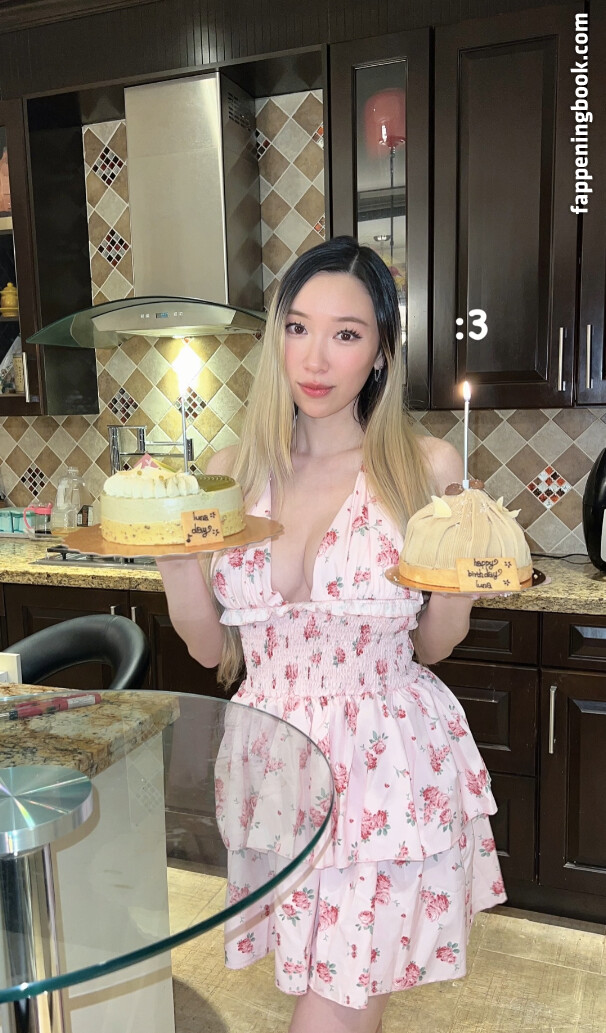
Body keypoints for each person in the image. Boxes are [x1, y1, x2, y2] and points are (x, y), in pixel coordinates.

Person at [156, 236, 506, 1033]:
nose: (315, 358)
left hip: (384, 765)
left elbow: (432, 645)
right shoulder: (230, 468)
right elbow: (210, 649)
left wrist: (460, 579)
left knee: (332, 1012)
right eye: (298, 327)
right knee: (331, 984)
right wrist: (173, 559)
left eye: (346, 333)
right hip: (270, 763)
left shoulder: (426, 466)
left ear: (380, 353)